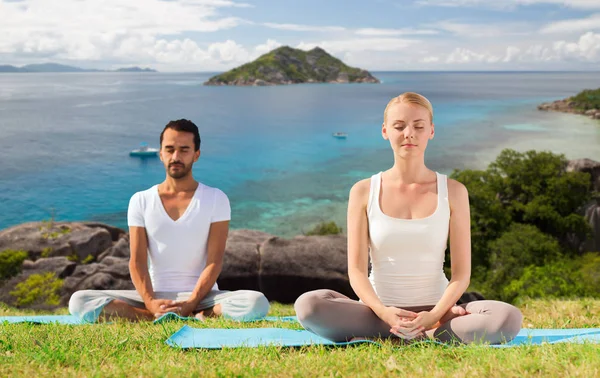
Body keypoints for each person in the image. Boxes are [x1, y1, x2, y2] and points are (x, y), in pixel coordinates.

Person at [294, 93, 522, 344]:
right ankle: (412, 332)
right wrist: (384, 312)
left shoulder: (455, 191)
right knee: (308, 306)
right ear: (385, 131)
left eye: (419, 126)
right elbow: (357, 271)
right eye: (399, 126)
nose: (409, 133)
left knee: (507, 318)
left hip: (437, 311)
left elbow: (461, 274)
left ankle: (430, 330)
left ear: (431, 131)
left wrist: (434, 315)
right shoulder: (363, 191)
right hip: (377, 312)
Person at [69, 119, 269, 322]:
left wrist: (192, 301)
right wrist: (150, 301)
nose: (176, 157)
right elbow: (137, 262)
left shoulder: (216, 198)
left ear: (196, 155)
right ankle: (151, 315)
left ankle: (199, 312)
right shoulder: (141, 200)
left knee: (256, 302)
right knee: (79, 301)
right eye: (169, 149)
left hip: (203, 297)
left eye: (184, 150)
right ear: (161, 154)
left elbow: (215, 262)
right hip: (155, 296)